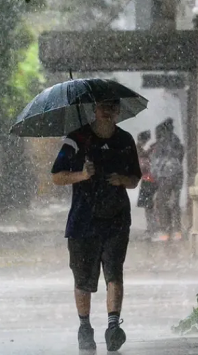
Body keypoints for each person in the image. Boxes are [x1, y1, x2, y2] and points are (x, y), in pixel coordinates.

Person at [51, 99, 142, 352]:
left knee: (114, 271)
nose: (108, 110)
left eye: (112, 106)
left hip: (116, 218)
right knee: (83, 278)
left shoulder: (125, 141)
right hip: (83, 220)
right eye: (103, 105)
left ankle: (114, 327)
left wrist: (121, 179)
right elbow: (57, 176)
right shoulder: (76, 140)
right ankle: (85, 327)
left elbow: (135, 179)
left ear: (118, 110)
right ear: (94, 109)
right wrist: (82, 174)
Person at [150, 118, 185, 242]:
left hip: (165, 176)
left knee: (162, 203)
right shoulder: (177, 142)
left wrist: (155, 174)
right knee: (174, 202)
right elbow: (180, 157)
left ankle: (166, 230)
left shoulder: (162, 144)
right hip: (177, 174)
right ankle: (177, 230)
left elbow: (156, 161)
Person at [135, 130, 158, 238]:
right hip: (149, 180)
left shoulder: (142, 150)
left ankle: (152, 228)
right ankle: (152, 228)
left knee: (149, 206)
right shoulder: (140, 150)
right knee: (150, 206)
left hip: (149, 180)